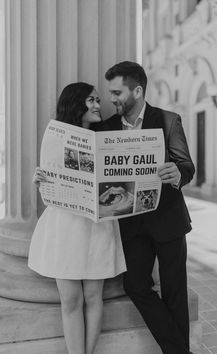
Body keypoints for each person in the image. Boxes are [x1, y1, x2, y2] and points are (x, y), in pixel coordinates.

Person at [102, 61, 195, 354]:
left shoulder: (168, 120)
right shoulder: (106, 128)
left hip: (168, 219)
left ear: (138, 90)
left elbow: (187, 165)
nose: (112, 99)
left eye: (117, 92)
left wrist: (179, 174)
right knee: (136, 286)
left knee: (175, 291)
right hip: (131, 225)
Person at [28, 82, 126, 354]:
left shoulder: (106, 139)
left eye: (97, 100)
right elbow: (52, 177)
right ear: (75, 104)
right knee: (70, 299)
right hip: (65, 225)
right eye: (91, 100)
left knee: (94, 296)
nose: (98, 105)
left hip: (96, 224)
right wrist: (40, 180)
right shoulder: (55, 138)